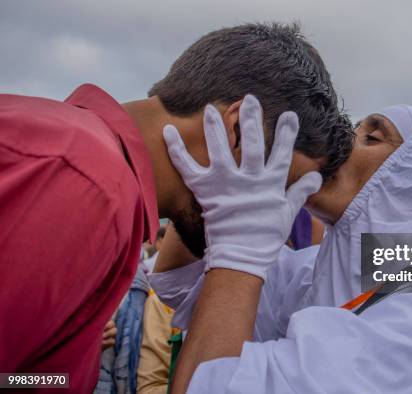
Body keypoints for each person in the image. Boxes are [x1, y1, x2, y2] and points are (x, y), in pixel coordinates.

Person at [0, 22, 353, 392]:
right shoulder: (92, 185)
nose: (276, 215)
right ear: (236, 131)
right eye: (278, 187)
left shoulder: (84, 158)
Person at [152, 100, 412, 393]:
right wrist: (216, 190)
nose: (340, 140)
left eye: (371, 137)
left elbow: (212, 382)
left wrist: (238, 244)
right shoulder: (315, 271)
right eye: (355, 127)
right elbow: (183, 283)